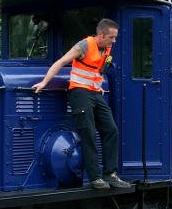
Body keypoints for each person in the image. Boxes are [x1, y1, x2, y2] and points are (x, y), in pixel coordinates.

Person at [32, 19, 132, 190]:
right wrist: (44, 82)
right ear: (101, 35)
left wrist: (98, 86)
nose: (114, 41)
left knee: (111, 130)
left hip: (95, 93)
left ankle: (110, 174)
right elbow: (61, 62)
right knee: (89, 132)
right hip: (80, 93)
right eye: (111, 37)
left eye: (115, 37)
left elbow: (96, 71)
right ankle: (95, 178)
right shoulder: (83, 46)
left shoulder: (106, 47)